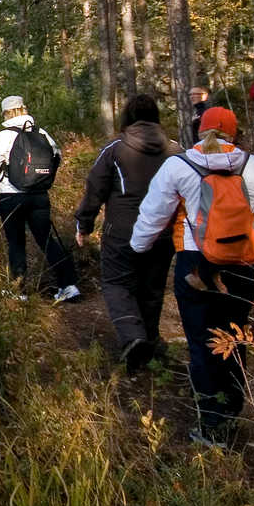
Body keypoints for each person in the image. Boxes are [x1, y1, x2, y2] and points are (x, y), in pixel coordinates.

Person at [129, 106, 254, 445]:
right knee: (235, 338)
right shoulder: (251, 164)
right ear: (233, 131)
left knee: (202, 343)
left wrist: (137, 248)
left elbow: (153, 214)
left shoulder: (179, 165)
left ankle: (211, 423)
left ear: (200, 131)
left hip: (195, 264)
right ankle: (231, 413)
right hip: (242, 265)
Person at [74, 94, 177, 372]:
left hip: (121, 230)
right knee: (152, 287)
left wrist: (83, 225)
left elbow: (95, 189)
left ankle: (134, 338)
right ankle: (150, 339)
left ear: (127, 118)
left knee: (117, 284)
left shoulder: (115, 149)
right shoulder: (176, 151)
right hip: (163, 233)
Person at [0, 95, 80, 303]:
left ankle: (19, 291)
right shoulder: (41, 132)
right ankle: (68, 285)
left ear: (5, 113)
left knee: (16, 243)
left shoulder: (4, 135)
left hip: (11, 195)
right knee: (46, 239)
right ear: (23, 109)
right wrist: (43, 180)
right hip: (39, 196)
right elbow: (57, 156)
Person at [185, 85, 217, 149]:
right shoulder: (197, 111)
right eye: (190, 94)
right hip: (198, 148)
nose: (192, 97)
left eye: (195, 94)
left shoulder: (208, 111)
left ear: (204, 96)